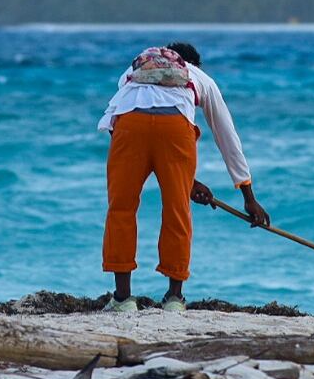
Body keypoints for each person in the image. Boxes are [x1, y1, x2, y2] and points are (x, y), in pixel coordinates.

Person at [96, 41, 269, 312]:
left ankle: (122, 299)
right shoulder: (201, 78)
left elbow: (117, 116)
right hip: (175, 129)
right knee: (177, 209)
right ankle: (174, 299)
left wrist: (188, 180)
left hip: (129, 125)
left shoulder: (136, 68)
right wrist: (248, 196)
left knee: (122, 208)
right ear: (192, 65)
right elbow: (227, 136)